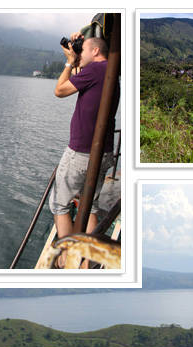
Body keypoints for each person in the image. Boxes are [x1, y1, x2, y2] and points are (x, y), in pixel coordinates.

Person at [51, 31, 119, 253]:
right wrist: (79, 51)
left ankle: (68, 258)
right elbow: (82, 79)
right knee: (90, 206)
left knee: (60, 204)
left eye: (84, 49)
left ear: (96, 51)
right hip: (104, 150)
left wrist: (69, 63)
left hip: (82, 151)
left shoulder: (95, 70)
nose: (80, 53)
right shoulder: (107, 71)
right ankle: (86, 261)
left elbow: (59, 91)